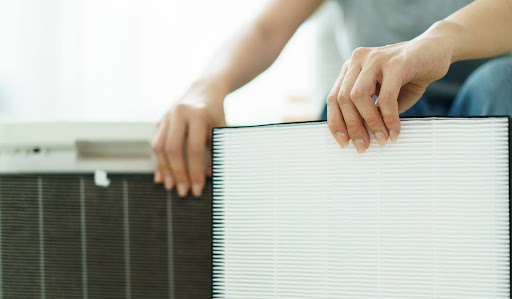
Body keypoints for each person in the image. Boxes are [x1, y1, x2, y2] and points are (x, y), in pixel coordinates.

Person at [152, 0, 512, 197]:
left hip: (493, 109)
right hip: (395, 108)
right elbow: (266, 28)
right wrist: (206, 89)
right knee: (354, 103)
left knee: (500, 82)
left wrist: (441, 41)